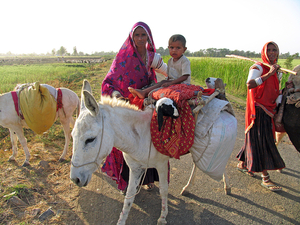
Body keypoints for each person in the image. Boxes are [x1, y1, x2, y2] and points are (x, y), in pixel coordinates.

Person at [101, 22, 168, 192]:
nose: (139, 38)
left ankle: (148, 179)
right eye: (136, 35)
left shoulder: (153, 57)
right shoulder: (122, 57)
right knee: (127, 144)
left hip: (145, 105)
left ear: (148, 37)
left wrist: (157, 86)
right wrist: (117, 96)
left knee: (148, 141)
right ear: (131, 37)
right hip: (127, 107)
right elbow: (109, 81)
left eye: (143, 35)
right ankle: (128, 184)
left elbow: (171, 73)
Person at [236, 41, 285, 191]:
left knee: (255, 138)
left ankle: (242, 163)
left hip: (269, 108)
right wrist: (269, 73)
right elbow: (250, 84)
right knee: (263, 141)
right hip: (258, 109)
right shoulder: (258, 67)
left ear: (278, 52)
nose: (271, 53)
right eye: (268, 50)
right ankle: (265, 178)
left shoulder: (279, 71)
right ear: (264, 52)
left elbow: (275, 90)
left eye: (274, 50)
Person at [128, 34, 191, 99]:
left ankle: (144, 92)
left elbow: (185, 76)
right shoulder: (170, 61)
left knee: (162, 83)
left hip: (182, 84)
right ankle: (145, 92)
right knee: (161, 83)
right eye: (172, 48)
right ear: (168, 48)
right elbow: (169, 75)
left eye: (178, 48)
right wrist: (168, 82)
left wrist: (171, 83)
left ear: (184, 49)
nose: (174, 50)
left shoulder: (184, 61)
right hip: (173, 82)